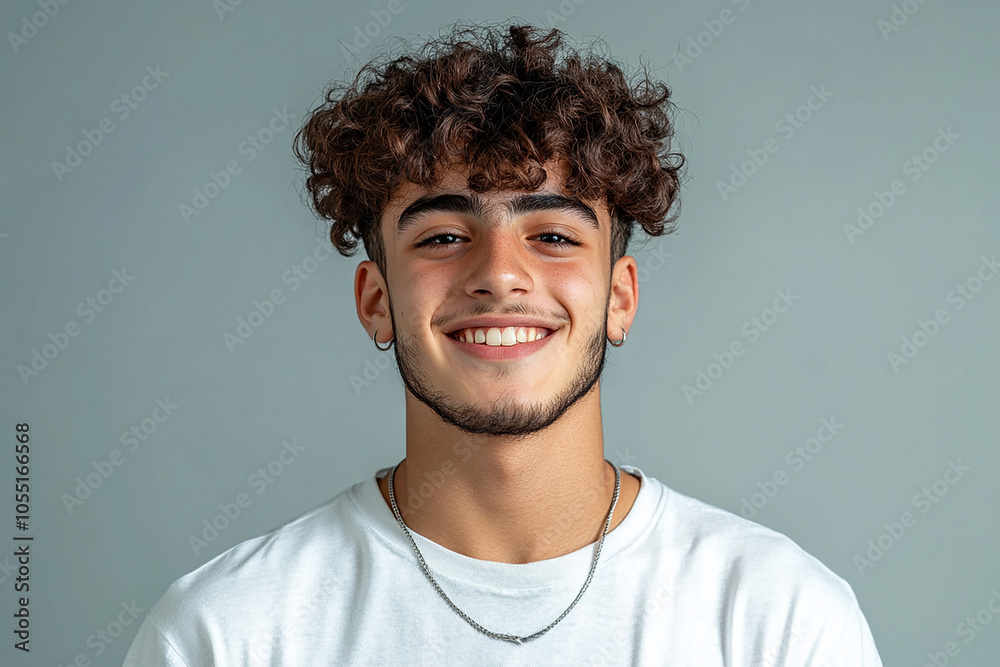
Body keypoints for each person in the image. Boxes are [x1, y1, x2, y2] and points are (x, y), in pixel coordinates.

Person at [123, 21, 882, 666]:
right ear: (377, 302)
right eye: (445, 235)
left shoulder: (782, 622)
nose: (499, 275)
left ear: (619, 297)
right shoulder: (226, 634)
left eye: (551, 235)